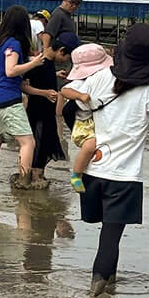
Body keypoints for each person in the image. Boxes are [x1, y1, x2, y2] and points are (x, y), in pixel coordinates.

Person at [64, 23, 149, 297]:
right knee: (110, 239)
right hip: (123, 179)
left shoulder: (99, 79)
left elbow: (69, 110)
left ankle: (109, 284)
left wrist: (84, 136)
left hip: (91, 172)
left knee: (106, 236)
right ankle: (98, 292)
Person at [0, 5, 46, 189]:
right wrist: (35, 64)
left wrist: (29, 62)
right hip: (8, 100)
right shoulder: (14, 43)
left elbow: (7, 67)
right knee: (28, 142)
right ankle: (23, 183)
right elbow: (11, 71)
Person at [24, 31, 80, 188]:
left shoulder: (48, 63)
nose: (66, 61)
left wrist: (55, 75)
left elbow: (40, 77)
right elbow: (24, 86)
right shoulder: (38, 62)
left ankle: (37, 175)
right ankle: (35, 177)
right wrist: (45, 93)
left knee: (47, 143)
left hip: (47, 112)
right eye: (67, 57)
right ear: (61, 50)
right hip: (38, 111)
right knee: (40, 144)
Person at [61, 43, 115, 193]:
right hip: (83, 125)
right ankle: (76, 175)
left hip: (96, 123)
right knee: (90, 145)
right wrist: (80, 95)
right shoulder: (81, 82)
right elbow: (64, 90)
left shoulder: (106, 81)